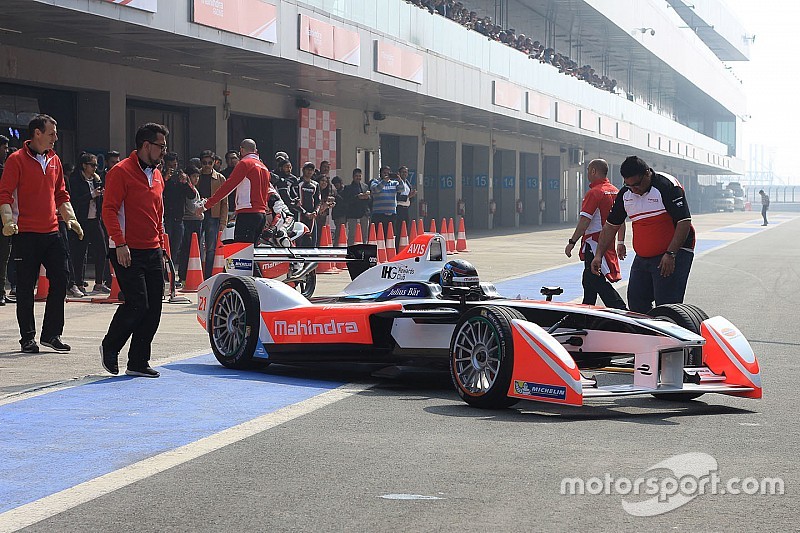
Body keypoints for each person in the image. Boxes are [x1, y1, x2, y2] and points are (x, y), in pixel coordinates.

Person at [0, 114, 84, 353]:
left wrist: (71, 219)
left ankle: (52, 334)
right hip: (25, 233)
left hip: (52, 231)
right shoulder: (16, 160)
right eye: (51, 134)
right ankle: (27, 337)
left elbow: (61, 194)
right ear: (37, 133)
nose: (55, 138)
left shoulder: (55, 160)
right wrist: (7, 221)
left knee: (61, 278)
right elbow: (4, 193)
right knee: (26, 286)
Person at [100, 122, 169, 378]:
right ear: (146, 145)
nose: (164, 151)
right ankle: (110, 346)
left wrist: (161, 249)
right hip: (126, 250)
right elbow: (108, 210)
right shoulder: (121, 172)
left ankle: (138, 361)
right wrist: (119, 243)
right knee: (137, 304)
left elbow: (158, 215)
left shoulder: (158, 175)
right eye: (160, 146)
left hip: (152, 249)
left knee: (154, 309)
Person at [591, 156, 695, 314]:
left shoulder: (666, 186)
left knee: (666, 307)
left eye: (637, 184)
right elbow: (610, 226)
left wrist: (671, 253)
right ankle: (647, 337)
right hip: (643, 256)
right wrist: (598, 255)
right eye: (629, 185)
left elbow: (684, 221)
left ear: (647, 173)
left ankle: (670, 336)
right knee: (636, 302)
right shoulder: (626, 193)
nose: (634, 189)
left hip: (674, 252)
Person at [564, 159, 626, 309]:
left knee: (596, 280)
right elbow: (620, 221)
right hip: (608, 244)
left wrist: (572, 242)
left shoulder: (594, 193)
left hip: (594, 243)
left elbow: (584, 221)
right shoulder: (616, 191)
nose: (587, 174)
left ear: (593, 171)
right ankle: (587, 309)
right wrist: (620, 242)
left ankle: (620, 309)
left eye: (588, 171)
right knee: (588, 280)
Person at [201, 138, 270, 244]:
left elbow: (228, 186)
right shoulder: (264, 168)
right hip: (261, 215)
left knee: (241, 255)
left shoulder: (245, 164)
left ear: (241, 150)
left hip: (247, 214)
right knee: (251, 253)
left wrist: (207, 205)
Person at [69, 152, 111, 294]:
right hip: (82, 220)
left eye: (96, 165)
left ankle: (99, 283)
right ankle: (78, 283)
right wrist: (92, 195)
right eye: (92, 165)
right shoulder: (75, 180)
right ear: (84, 165)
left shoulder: (96, 180)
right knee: (80, 253)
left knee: (102, 250)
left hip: (95, 219)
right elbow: (75, 200)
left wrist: (100, 195)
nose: (95, 168)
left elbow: (98, 197)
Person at [197, 150, 227, 278]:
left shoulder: (220, 178)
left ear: (214, 163)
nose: (207, 165)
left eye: (210, 162)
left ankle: (208, 275)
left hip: (213, 216)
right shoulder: (196, 176)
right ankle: (193, 273)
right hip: (196, 216)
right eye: (204, 162)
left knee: (211, 248)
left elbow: (224, 202)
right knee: (195, 245)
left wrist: (223, 222)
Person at [180, 166, 204, 282]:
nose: (196, 179)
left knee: (193, 248)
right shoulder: (189, 189)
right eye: (194, 176)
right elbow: (192, 207)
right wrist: (203, 206)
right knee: (187, 249)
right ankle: (184, 274)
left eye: (197, 176)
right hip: (190, 221)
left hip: (196, 221)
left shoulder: (194, 189)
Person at [343, 168, 370, 245]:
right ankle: (350, 250)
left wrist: (367, 197)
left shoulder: (365, 186)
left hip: (364, 213)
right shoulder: (348, 188)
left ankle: (364, 250)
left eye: (359, 176)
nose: (358, 177)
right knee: (352, 234)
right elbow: (346, 201)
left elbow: (370, 200)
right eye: (356, 176)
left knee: (364, 234)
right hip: (352, 214)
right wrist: (357, 197)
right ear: (353, 176)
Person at [370, 169, 400, 238]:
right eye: (384, 173)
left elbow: (402, 189)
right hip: (378, 214)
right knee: (378, 235)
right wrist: (384, 181)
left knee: (390, 235)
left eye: (388, 173)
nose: (386, 174)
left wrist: (400, 180)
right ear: (380, 173)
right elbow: (376, 189)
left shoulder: (394, 183)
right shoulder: (375, 182)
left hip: (391, 214)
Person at [297, 162, 321, 246]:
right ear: (303, 170)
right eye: (308, 169)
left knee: (312, 241)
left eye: (311, 170)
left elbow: (318, 201)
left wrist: (315, 212)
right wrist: (305, 213)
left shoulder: (315, 184)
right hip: (299, 216)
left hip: (311, 217)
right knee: (299, 240)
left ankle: (311, 258)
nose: (309, 172)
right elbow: (294, 201)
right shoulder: (297, 182)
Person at [0, 134, 11, 305]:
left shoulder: (5, 168)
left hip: (4, 221)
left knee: (3, 257)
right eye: (4, 147)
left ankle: (1, 291)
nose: (6, 151)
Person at [395, 166, 416, 249]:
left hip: (406, 209)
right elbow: (396, 196)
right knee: (398, 230)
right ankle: (397, 247)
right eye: (403, 172)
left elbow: (410, 197)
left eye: (406, 172)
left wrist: (411, 196)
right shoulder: (397, 183)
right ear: (399, 173)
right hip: (399, 208)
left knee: (405, 229)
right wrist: (407, 196)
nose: (404, 174)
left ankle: (403, 247)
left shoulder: (407, 183)